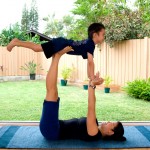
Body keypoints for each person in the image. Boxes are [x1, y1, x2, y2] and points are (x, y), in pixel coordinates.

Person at [39, 46, 126, 142]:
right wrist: (92, 81)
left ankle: (57, 57)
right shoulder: (95, 125)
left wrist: (92, 86)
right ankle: (56, 57)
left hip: (52, 131)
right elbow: (91, 91)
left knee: (52, 93)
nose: (109, 121)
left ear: (110, 132)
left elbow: (91, 108)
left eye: (112, 124)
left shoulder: (94, 134)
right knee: (53, 93)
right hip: (55, 125)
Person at [7, 23, 105, 80]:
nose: (104, 37)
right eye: (103, 34)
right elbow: (91, 62)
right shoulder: (90, 44)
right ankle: (17, 42)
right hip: (61, 44)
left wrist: (90, 76)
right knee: (37, 48)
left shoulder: (89, 44)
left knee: (37, 48)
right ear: (95, 35)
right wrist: (92, 77)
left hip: (61, 43)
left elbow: (89, 62)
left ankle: (17, 42)